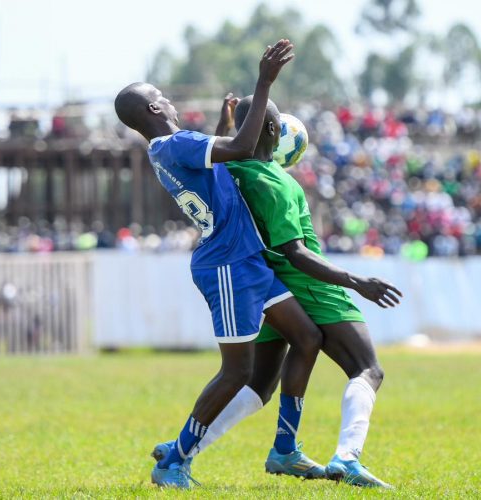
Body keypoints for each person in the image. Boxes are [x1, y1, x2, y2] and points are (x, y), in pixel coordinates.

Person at [154, 95, 402, 488]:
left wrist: (226, 127)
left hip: (265, 285)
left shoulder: (233, 168)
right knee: (367, 368)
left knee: (260, 382)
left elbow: (218, 157)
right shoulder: (279, 183)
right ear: (275, 132)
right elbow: (297, 251)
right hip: (308, 285)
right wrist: (358, 282)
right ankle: (346, 457)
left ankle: (191, 448)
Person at [115, 39, 324, 489]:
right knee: (237, 371)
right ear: (154, 107)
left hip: (244, 260)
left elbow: (218, 158)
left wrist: (225, 123)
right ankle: (175, 460)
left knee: (306, 336)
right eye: (163, 95)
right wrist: (264, 82)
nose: (169, 99)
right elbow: (244, 146)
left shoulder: (172, 149)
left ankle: (286, 449)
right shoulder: (176, 144)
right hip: (227, 264)